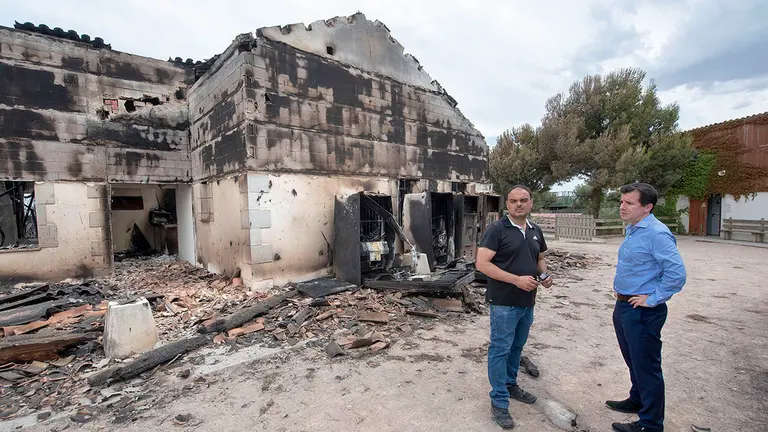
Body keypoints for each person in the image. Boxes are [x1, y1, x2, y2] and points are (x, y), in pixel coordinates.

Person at [607, 182, 687, 432]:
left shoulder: (656, 233)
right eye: (621, 201)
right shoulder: (635, 229)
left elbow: (677, 274)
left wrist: (652, 298)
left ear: (647, 207)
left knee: (647, 366)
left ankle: (651, 424)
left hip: (643, 311)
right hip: (624, 306)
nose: (622, 206)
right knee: (634, 360)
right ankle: (637, 399)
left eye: (629, 203)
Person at [476, 185, 552, 429]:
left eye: (523, 200)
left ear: (531, 203)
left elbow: (539, 259)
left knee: (517, 347)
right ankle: (499, 400)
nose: (519, 204)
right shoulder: (496, 230)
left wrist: (545, 275)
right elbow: (482, 264)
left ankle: (510, 385)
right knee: (500, 349)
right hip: (504, 303)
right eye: (513, 201)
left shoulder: (535, 230)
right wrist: (515, 279)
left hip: (527, 302)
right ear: (507, 205)